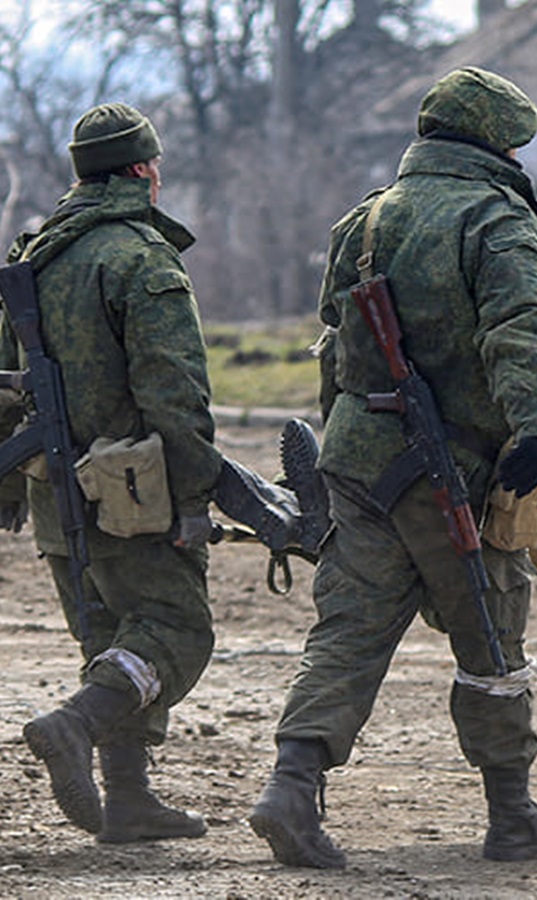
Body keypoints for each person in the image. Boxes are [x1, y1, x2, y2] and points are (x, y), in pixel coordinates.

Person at [247, 67, 537, 868]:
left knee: (349, 629)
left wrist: (336, 452)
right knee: (490, 631)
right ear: (496, 142)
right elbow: (523, 324)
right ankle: (513, 814)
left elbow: (334, 344)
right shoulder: (495, 218)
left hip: (357, 458)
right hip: (451, 465)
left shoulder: (361, 222)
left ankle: (291, 788)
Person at [0, 102, 229, 844]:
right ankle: (74, 726)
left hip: (51, 491)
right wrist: (193, 499)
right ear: (141, 170)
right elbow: (175, 391)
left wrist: (11, 491)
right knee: (176, 630)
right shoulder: (140, 257)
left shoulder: (31, 254)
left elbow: (6, 384)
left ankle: (128, 798)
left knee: (113, 641)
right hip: (135, 493)